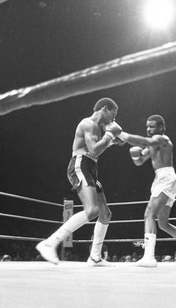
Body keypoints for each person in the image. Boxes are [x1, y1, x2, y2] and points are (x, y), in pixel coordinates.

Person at [36, 98, 123, 266]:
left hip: (91, 168)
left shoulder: (101, 127)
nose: (114, 118)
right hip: (80, 164)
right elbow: (94, 150)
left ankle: (95, 257)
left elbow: (120, 140)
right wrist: (111, 134)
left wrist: (115, 134)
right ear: (105, 109)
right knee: (91, 210)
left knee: (105, 213)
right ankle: (49, 243)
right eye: (114, 114)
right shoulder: (87, 124)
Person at [118, 115, 176, 267]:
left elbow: (145, 141)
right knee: (163, 223)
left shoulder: (163, 139)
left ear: (161, 128)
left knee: (149, 214)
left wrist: (122, 134)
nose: (149, 129)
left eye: (152, 126)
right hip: (161, 179)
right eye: (147, 126)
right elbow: (139, 161)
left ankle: (149, 257)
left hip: (166, 178)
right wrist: (134, 155)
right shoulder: (152, 145)